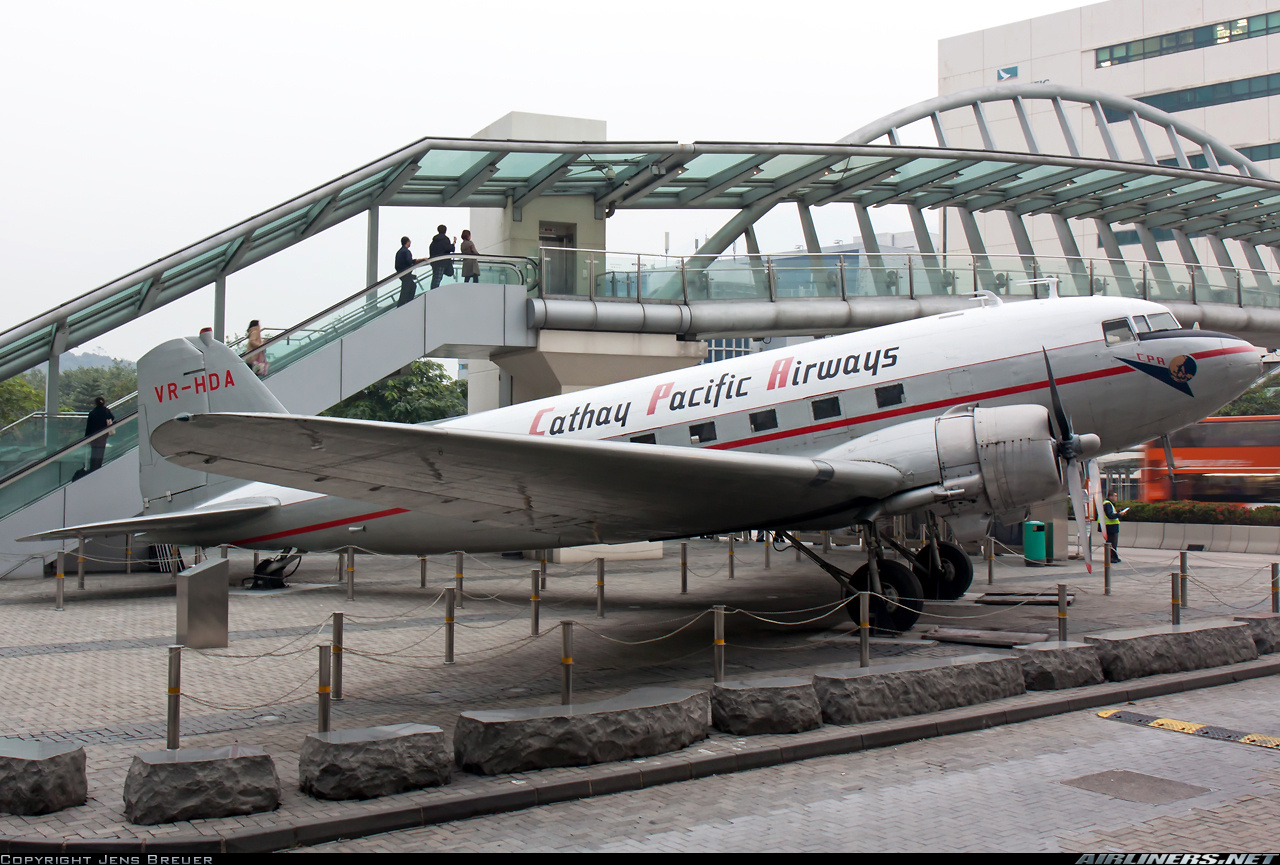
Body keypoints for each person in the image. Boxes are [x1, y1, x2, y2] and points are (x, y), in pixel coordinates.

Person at [85, 396, 114, 473]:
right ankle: (99, 467)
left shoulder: (92, 413)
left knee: (94, 452)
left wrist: (87, 437)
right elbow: (112, 417)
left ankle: (93, 468)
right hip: (103, 436)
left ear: (95, 403)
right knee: (100, 452)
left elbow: (89, 426)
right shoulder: (106, 411)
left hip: (94, 436)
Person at [395, 236, 424, 307]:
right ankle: (406, 304)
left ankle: (405, 304)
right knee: (408, 288)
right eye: (409, 241)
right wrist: (421, 260)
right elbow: (409, 262)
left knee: (410, 286)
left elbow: (397, 265)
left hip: (401, 273)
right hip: (406, 273)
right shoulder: (406, 251)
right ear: (407, 242)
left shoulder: (399, 252)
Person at [428, 225, 455, 289]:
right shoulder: (445, 239)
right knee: (438, 279)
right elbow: (450, 248)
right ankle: (433, 293)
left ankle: (432, 292)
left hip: (434, 262)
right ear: (445, 231)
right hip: (442, 263)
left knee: (435, 279)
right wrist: (453, 243)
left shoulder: (434, 241)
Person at [1101, 491, 1124, 563]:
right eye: (1115, 496)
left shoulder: (1109, 504)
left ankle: (1114, 557)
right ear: (1110, 496)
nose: (1116, 497)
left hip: (1112, 526)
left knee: (1114, 543)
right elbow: (1110, 515)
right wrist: (1119, 514)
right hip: (1110, 526)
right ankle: (1111, 557)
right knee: (1111, 543)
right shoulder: (1107, 504)